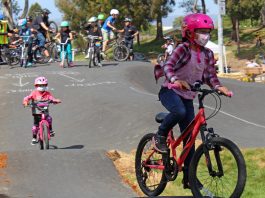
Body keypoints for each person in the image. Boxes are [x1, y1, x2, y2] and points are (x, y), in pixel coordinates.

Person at [153, 13, 231, 189]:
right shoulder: (183, 49)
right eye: (201, 31)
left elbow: (210, 76)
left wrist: (219, 87)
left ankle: (189, 177)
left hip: (188, 96)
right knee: (179, 112)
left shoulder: (208, 54)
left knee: (189, 140)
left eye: (207, 32)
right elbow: (168, 65)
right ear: (189, 33)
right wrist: (175, 80)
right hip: (170, 91)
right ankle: (160, 136)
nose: (205, 36)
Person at [23, 77, 61, 145]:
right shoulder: (34, 93)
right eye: (40, 85)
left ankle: (50, 130)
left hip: (45, 111)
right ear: (36, 86)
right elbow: (27, 97)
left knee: (49, 118)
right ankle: (34, 138)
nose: (42, 87)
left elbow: (52, 98)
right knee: (35, 127)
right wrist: (25, 101)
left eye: (43, 85)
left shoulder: (47, 93)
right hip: (37, 112)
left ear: (46, 85)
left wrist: (55, 100)